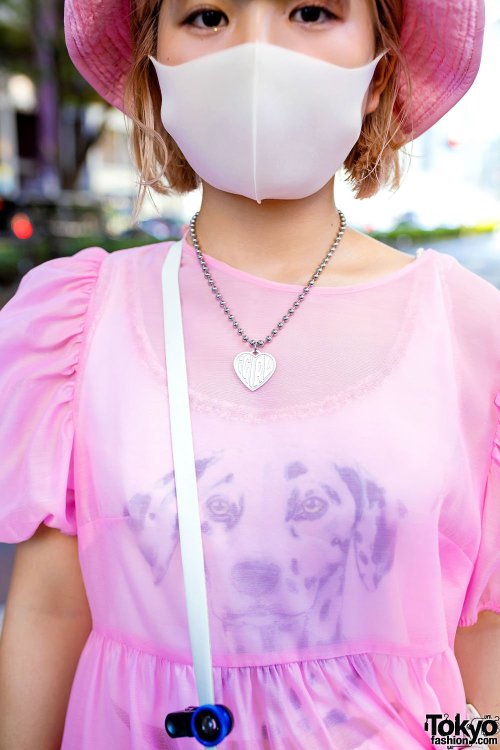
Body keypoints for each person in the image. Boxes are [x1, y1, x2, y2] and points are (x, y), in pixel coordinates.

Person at [0, 0, 498, 747]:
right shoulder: (77, 324)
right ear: (154, 68)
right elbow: (50, 610)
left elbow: (482, 639)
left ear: (378, 73)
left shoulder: (470, 330)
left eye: (311, 10)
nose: (257, 52)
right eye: (207, 15)